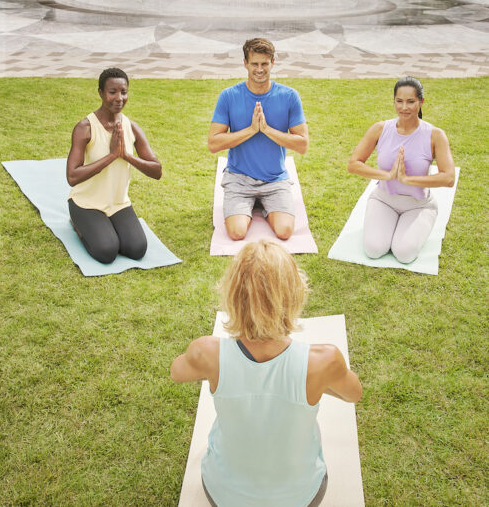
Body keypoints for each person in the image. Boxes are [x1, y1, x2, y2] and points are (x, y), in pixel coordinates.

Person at [171, 240, 362, 507]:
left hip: (224, 496)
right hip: (300, 499)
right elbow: (353, 394)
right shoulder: (324, 361)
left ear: (232, 294)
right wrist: (316, 383)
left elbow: (177, 372)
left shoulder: (206, 353)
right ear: (294, 294)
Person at [208, 38, 309, 241]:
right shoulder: (228, 96)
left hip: (275, 179)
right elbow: (213, 143)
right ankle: (251, 205)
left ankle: (262, 204)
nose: (260, 69)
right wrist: (252, 130)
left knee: (285, 231)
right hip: (239, 179)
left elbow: (303, 144)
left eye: (264, 63)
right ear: (245, 63)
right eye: (254, 64)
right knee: (237, 233)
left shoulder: (289, 96)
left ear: (273, 62)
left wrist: (267, 130)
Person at [347, 76, 455, 264]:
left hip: (418, 204)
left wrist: (407, 180)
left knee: (404, 254)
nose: (404, 107)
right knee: (374, 249)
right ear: (394, 101)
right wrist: (388, 176)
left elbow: (449, 178)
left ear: (421, 102)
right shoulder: (380, 128)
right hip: (384, 200)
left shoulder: (435, 135)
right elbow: (354, 164)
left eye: (411, 102)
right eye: (399, 101)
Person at [66, 68, 162, 264]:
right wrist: (111, 156)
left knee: (137, 249)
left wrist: (125, 155)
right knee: (107, 251)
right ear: (101, 92)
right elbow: (72, 176)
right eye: (112, 92)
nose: (119, 98)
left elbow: (157, 170)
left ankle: (105, 225)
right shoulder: (85, 128)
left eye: (124, 92)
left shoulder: (131, 127)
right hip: (86, 203)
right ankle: (77, 224)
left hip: (118, 203)